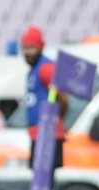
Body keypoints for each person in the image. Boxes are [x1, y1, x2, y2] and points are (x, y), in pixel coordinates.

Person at [21, 26, 68, 178]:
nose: (27, 52)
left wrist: (55, 120)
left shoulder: (46, 67)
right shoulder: (34, 69)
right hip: (39, 133)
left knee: (44, 182)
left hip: (47, 133)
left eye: (31, 48)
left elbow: (63, 97)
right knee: (39, 181)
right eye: (25, 48)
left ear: (40, 47)